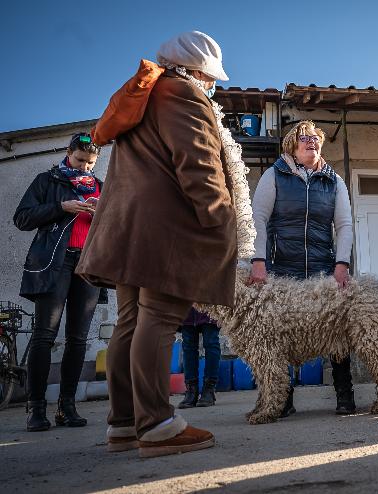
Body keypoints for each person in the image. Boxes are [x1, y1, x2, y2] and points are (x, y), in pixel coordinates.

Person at [76, 31, 237, 457]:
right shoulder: (181, 93)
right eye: (211, 76)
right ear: (198, 69)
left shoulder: (143, 93)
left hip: (125, 225)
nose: (213, 85)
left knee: (130, 320)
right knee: (161, 317)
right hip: (163, 228)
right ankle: (158, 425)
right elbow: (198, 161)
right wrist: (220, 219)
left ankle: (124, 423)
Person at [248, 120, 356, 415]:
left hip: (323, 267)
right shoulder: (275, 175)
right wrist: (259, 261)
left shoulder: (334, 180)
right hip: (284, 268)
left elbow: (344, 225)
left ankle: (344, 395)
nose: (311, 142)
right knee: (281, 335)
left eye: (316, 138)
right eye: (304, 138)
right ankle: (283, 400)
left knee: (337, 330)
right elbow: (258, 218)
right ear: (291, 145)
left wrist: (341, 264)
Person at [14, 133, 103, 432]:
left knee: (78, 339)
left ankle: (67, 407)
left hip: (88, 265)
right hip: (55, 264)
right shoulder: (46, 180)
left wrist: (101, 215)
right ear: (68, 153)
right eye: (80, 161)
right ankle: (36, 409)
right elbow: (22, 218)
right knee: (45, 335)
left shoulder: (101, 187)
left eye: (91, 163)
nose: (85, 168)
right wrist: (62, 207)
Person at [177, 308, 222, 408]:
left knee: (211, 343)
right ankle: (191, 390)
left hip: (209, 302)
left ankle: (209, 390)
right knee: (188, 346)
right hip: (187, 304)